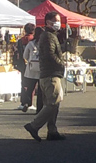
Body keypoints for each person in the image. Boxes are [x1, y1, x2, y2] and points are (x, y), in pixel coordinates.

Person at [23, 11, 65, 141]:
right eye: (55, 21)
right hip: (51, 74)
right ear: (48, 22)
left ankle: (52, 131)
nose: (58, 23)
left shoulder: (49, 35)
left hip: (47, 73)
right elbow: (50, 55)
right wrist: (61, 64)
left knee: (52, 103)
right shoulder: (48, 36)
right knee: (53, 102)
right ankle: (34, 125)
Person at [14, 23, 35, 111]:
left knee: (23, 83)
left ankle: (23, 102)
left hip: (22, 65)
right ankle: (29, 103)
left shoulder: (20, 40)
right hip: (32, 64)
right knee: (32, 84)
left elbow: (17, 52)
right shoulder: (33, 40)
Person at [22, 26, 43, 113]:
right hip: (42, 69)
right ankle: (39, 109)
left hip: (31, 69)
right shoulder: (44, 43)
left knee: (30, 88)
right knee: (41, 91)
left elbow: (25, 56)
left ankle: (27, 102)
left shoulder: (31, 44)